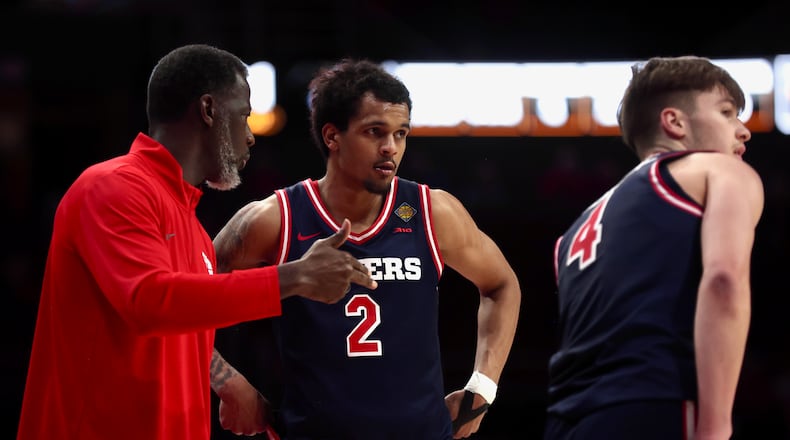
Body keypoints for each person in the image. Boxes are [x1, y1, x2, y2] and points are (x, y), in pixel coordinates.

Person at [16, 44, 377, 440]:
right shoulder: (113, 187)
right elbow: (151, 302)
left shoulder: (193, 228)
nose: (251, 137)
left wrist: (227, 381)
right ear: (208, 110)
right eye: (244, 116)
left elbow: (180, 317)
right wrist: (292, 278)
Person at [211, 58, 522, 439]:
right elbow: (183, 301)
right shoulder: (275, 218)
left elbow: (502, 285)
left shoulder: (431, 211)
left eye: (401, 133)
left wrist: (482, 387)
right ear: (332, 136)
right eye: (375, 132)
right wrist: (228, 383)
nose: (391, 147)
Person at [544, 55, 764, 440]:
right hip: (656, 404)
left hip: (568, 421)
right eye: (728, 112)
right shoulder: (720, 170)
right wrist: (715, 426)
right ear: (674, 122)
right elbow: (724, 282)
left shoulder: (573, 233)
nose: (742, 130)